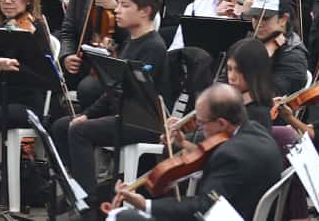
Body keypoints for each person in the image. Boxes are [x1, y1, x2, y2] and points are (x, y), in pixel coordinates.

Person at [52, 0, 166, 213]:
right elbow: (114, 90)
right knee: (62, 125)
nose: (117, 10)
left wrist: (87, 116)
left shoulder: (153, 46)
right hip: (123, 112)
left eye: (125, 6)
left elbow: (127, 92)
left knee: (79, 129)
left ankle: (89, 203)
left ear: (145, 11)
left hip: (143, 121)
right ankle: (76, 187)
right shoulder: (132, 41)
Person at [108, 84, 282, 221]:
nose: (200, 130)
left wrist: (145, 204)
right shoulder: (256, 130)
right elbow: (227, 174)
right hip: (248, 210)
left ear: (221, 123)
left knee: (120, 216)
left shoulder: (230, 155)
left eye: (201, 124)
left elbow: (202, 206)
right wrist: (183, 147)